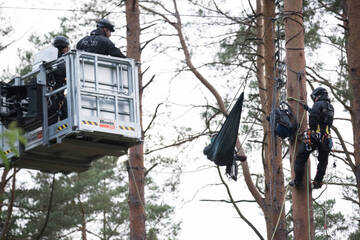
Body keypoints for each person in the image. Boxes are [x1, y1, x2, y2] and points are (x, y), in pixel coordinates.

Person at [290, 87, 334, 189]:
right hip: (326, 138)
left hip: (315, 137)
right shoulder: (330, 107)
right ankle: (317, 182)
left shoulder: (317, 104)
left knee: (301, 157)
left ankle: (298, 182)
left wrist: (311, 131)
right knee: (323, 162)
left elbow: (314, 120)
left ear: (318, 96)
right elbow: (324, 119)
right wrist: (309, 109)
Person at [50, 35, 70, 121]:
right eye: (67, 47)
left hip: (55, 93)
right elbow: (64, 71)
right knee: (64, 110)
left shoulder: (52, 59)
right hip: (56, 94)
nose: (68, 49)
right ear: (63, 48)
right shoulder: (60, 61)